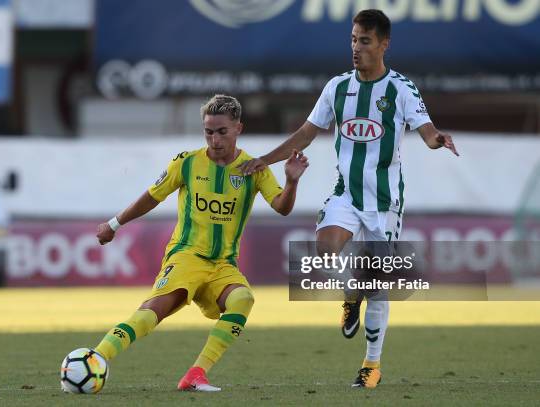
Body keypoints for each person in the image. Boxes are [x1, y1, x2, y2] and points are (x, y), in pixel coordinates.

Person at [239, 9, 458, 388]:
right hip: (346, 193)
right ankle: (350, 294)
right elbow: (305, 134)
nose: (356, 48)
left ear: (384, 43)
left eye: (365, 41)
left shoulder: (401, 89)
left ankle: (371, 365)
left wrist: (439, 140)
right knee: (324, 251)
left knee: (377, 286)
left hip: (385, 203)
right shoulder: (337, 87)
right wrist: (264, 160)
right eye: (353, 39)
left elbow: (426, 132)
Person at [93, 94, 308, 392]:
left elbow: (282, 207)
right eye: (209, 131)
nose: (214, 139)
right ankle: (97, 357)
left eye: (222, 131)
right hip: (187, 257)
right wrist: (114, 225)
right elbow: (152, 197)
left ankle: (196, 374)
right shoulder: (187, 163)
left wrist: (292, 182)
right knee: (155, 310)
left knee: (243, 299)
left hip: (222, 265)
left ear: (238, 128)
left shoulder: (254, 169)